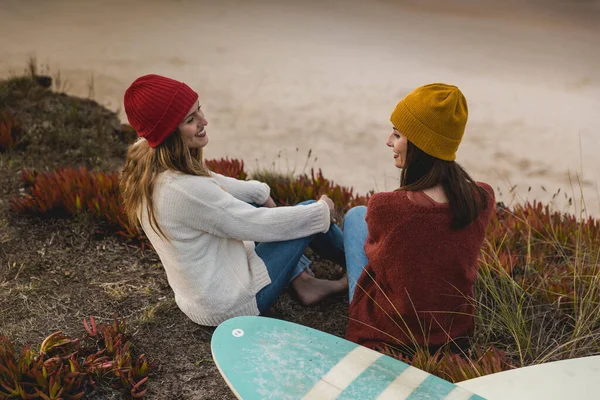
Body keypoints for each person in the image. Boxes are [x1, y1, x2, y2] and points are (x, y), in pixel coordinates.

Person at [119, 74, 347, 326]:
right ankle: (367, 265)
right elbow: (258, 224)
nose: (203, 121)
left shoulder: (149, 163)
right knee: (307, 211)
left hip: (202, 296)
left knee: (261, 206)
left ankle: (304, 282)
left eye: (199, 110)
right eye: (190, 120)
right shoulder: (185, 192)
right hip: (232, 304)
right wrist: (321, 211)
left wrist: (260, 193)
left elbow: (213, 182)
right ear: (169, 134)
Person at [343, 83, 495, 355]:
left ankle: (316, 255)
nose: (389, 141)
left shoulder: (387, 206)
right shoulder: (481, 198)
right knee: (358, 218)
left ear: (420, 144)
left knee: (355, 218)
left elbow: (377, 259)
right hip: (453, 333)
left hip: (391, 331)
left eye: (397, 134)